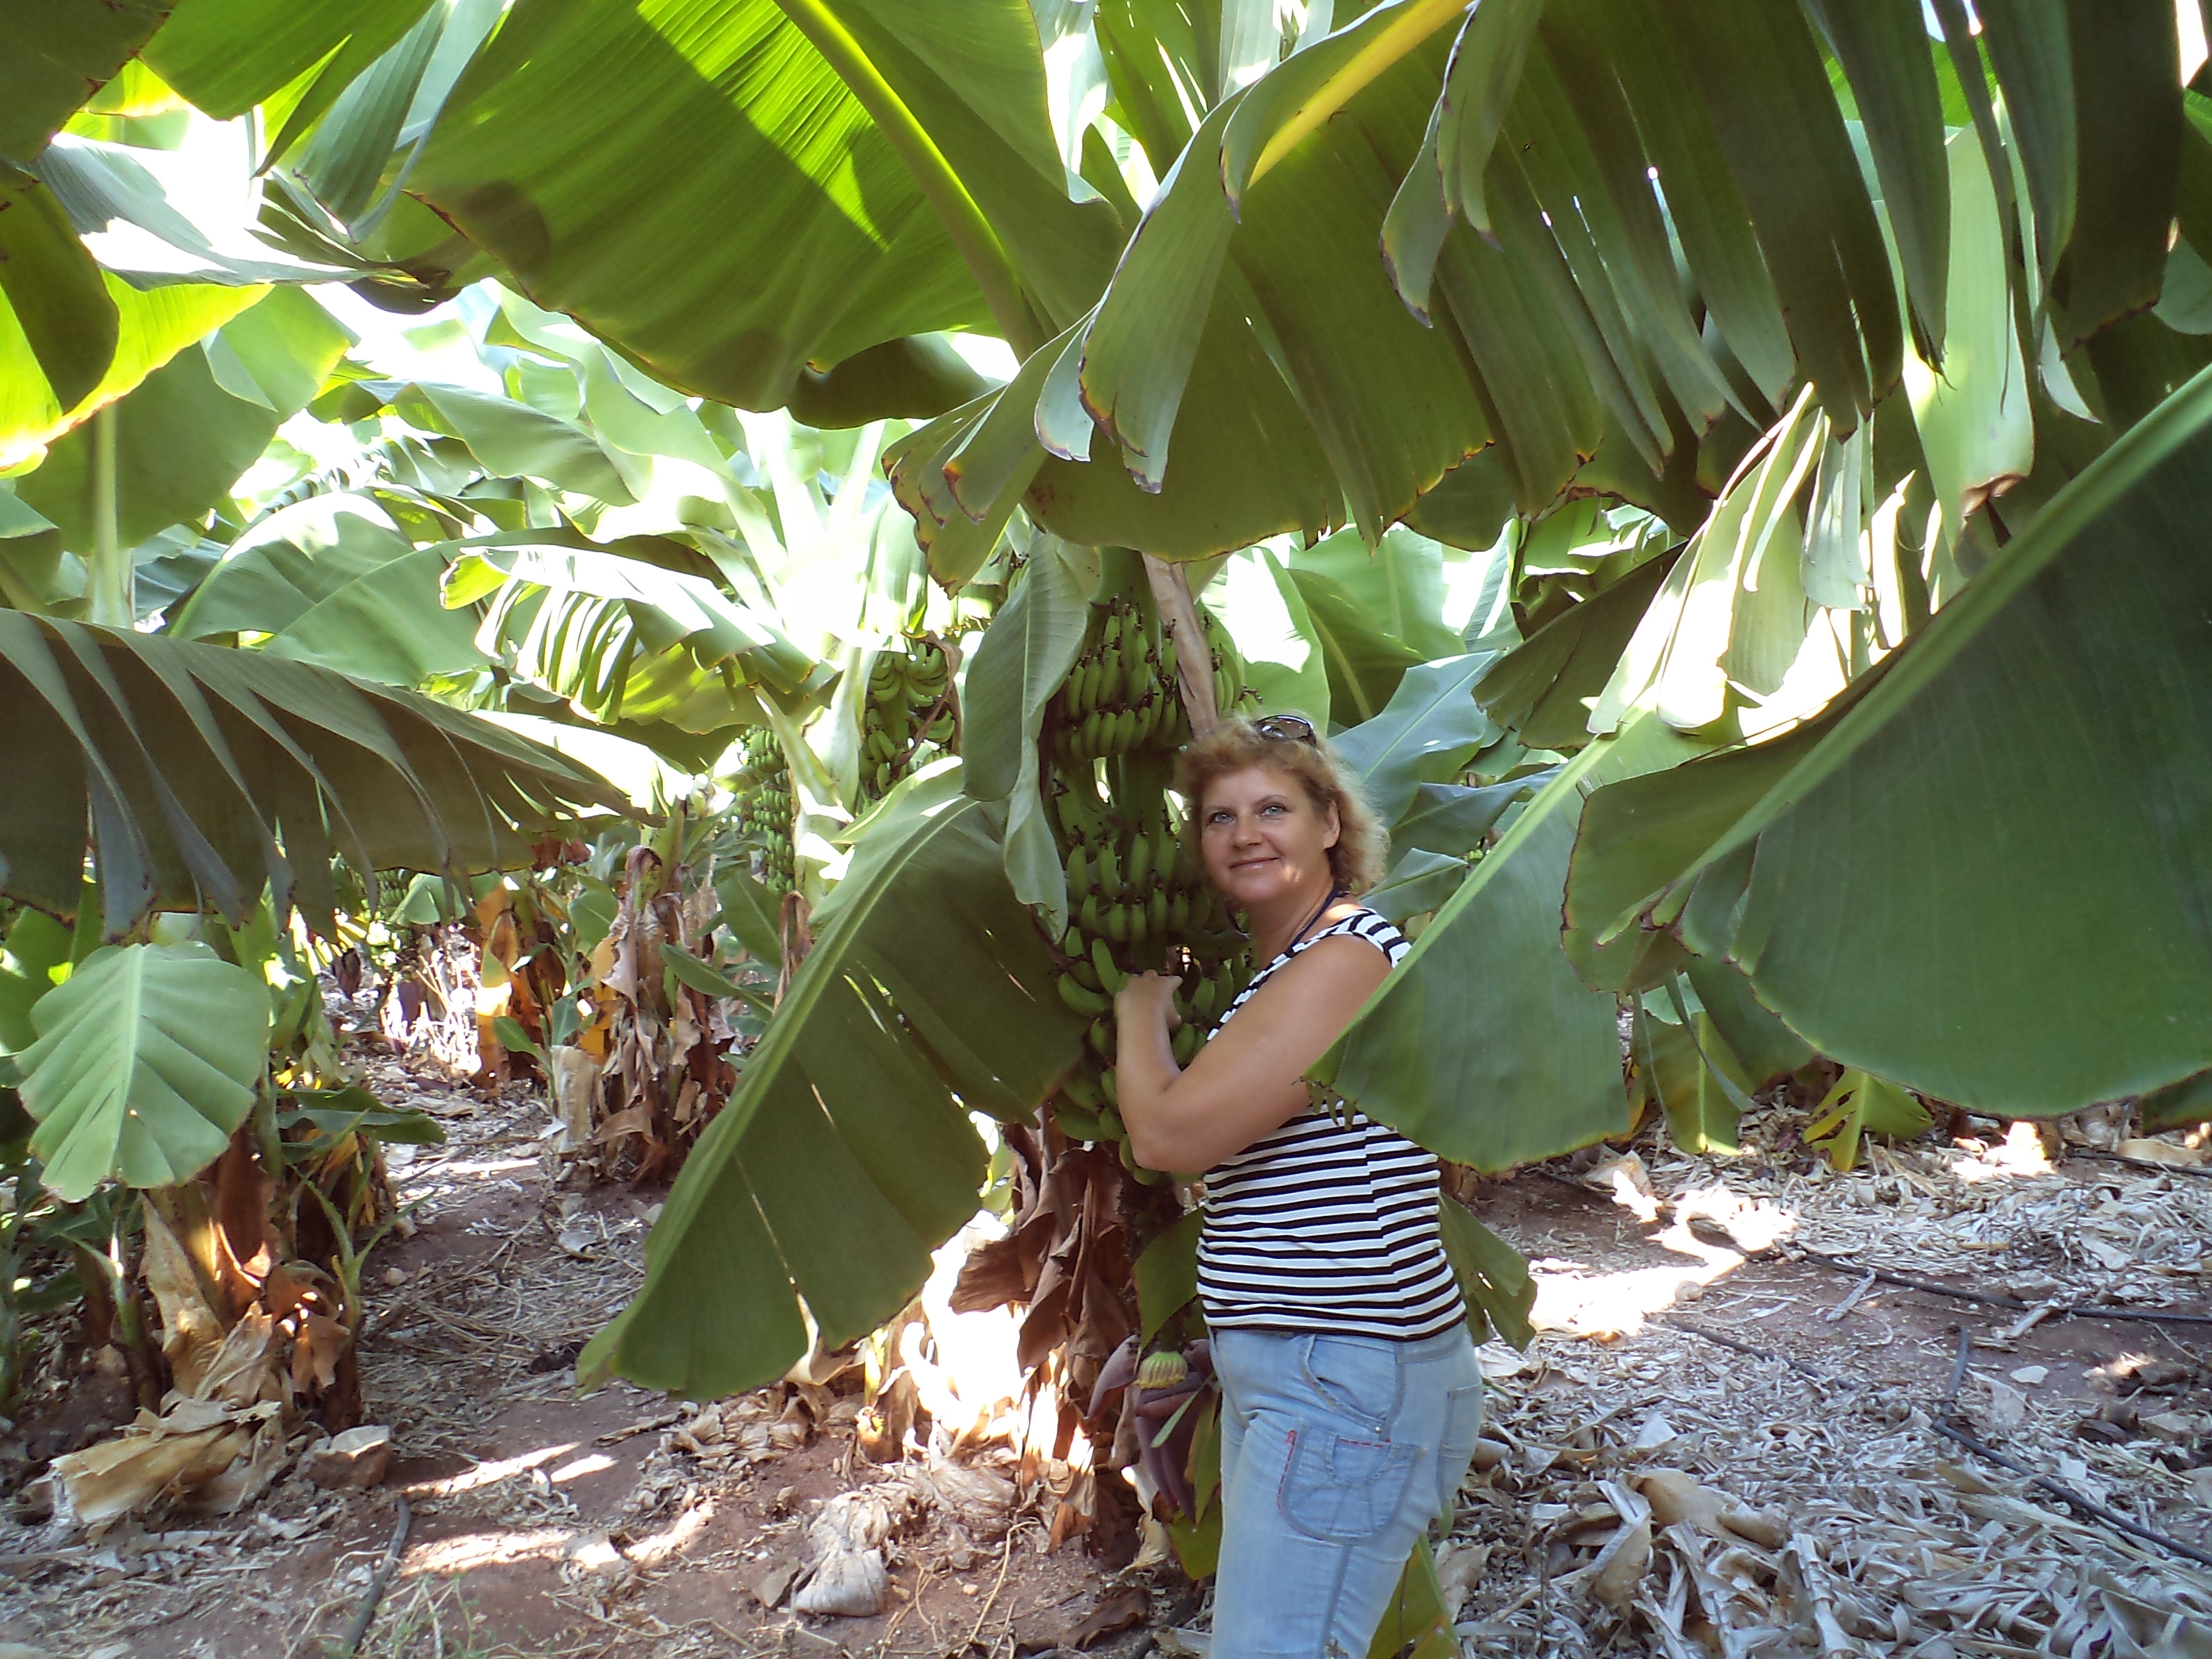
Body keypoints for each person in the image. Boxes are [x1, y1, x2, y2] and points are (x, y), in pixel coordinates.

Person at [1114, 713, 1483, 1659]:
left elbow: (1169, 1137)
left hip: (1344, 1379)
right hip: (1318, 1372)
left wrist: (1139, 1012)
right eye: (1220, 817)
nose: (1245, 834)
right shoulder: (1289, 967)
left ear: (1331, 823)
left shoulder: (1345, 958)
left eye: (1273, 809)